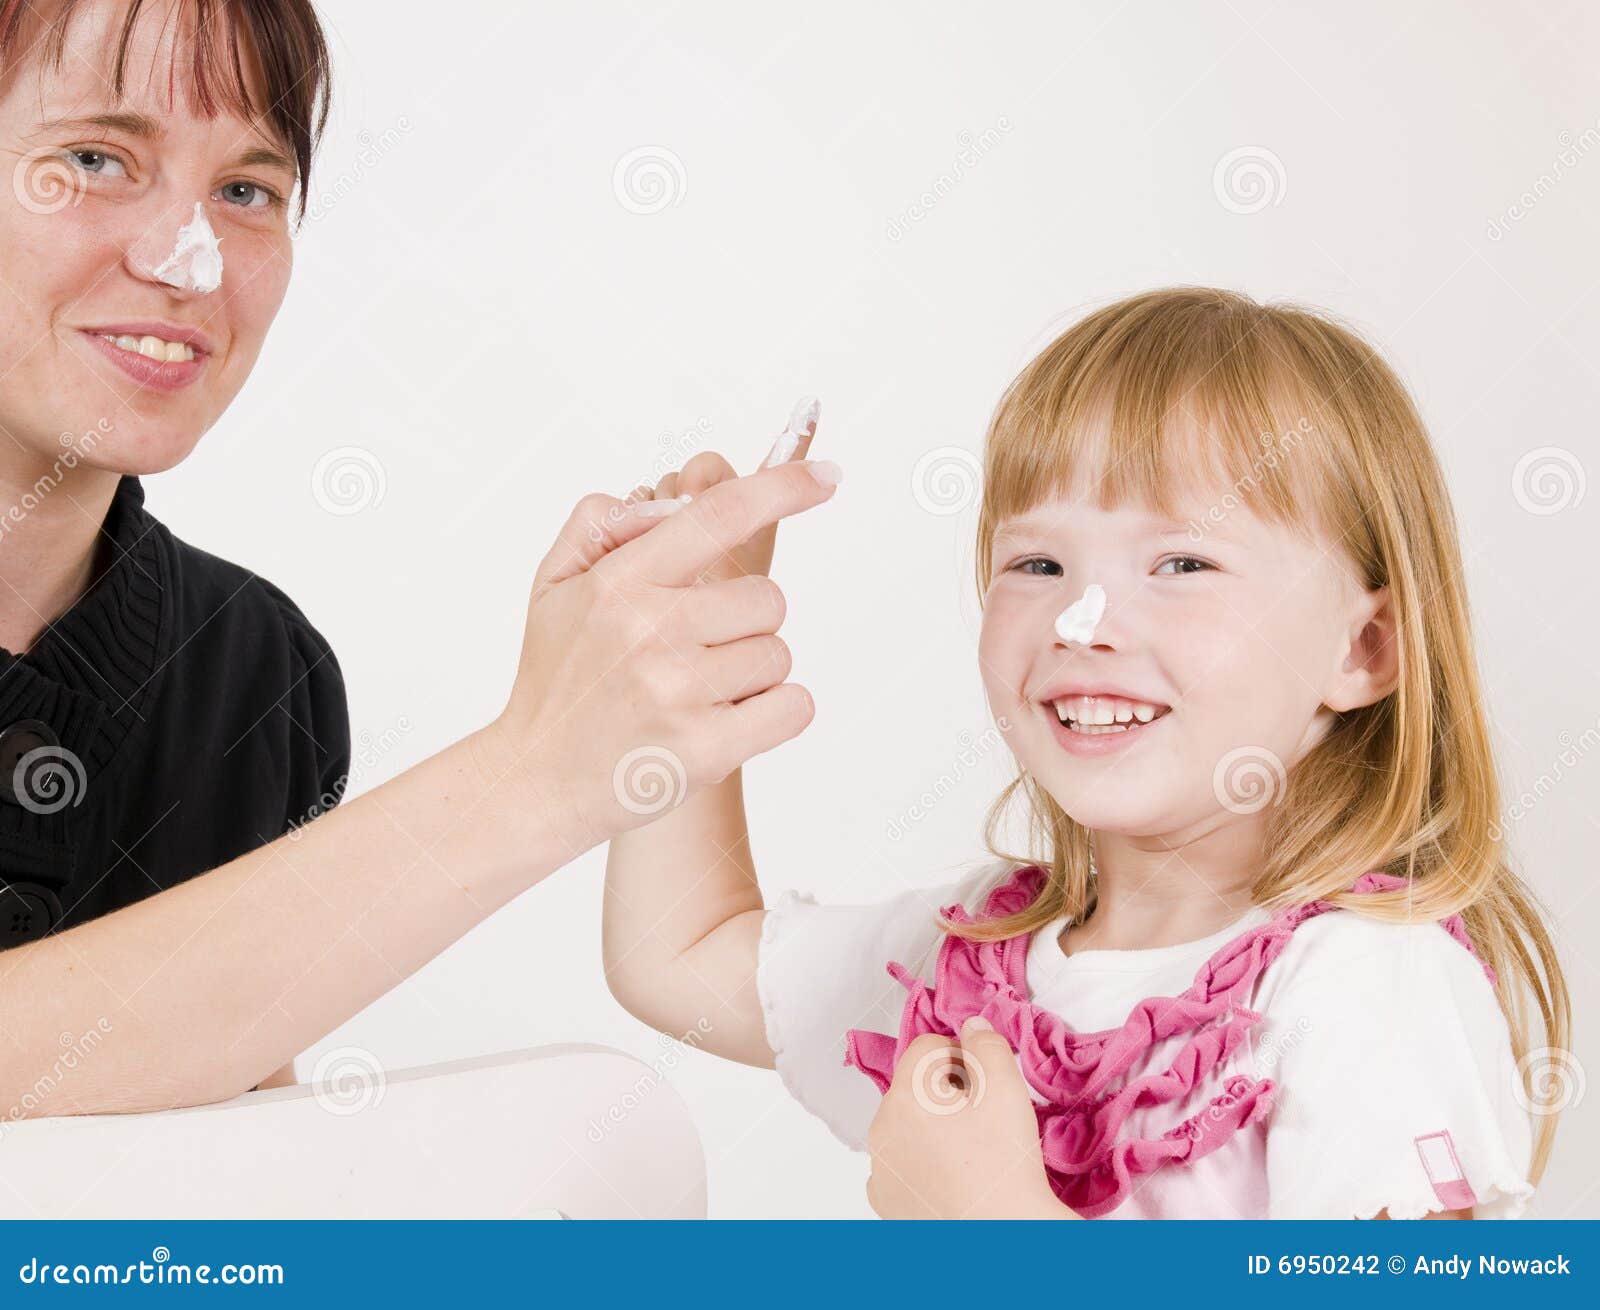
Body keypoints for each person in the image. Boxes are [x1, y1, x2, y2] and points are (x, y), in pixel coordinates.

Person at [0, 0, 839, 1118]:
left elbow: (217, 1181)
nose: (186, 260)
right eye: (97, 160)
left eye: (246, 189)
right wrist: (536, 766)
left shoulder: (257, 672)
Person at [604, 286, 1571, 1219]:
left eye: (1182, 564)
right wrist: (693, 656)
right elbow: (679, 959)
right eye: (1038, 564)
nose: (1083, 621)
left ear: (1363, 649)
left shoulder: (1367, 986)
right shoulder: (977, 960)